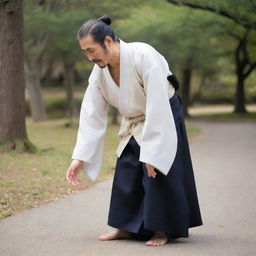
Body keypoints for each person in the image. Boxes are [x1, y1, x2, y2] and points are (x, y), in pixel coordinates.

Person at [66, 15, 203, 247]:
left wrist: (153, 151)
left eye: (92, 50)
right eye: (85, 53)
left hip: (162, 112)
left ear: (108, 41)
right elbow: (92, 113)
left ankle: (162, 229)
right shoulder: (99, 72)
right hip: (133, 119)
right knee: (128, 165)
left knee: (157, 168)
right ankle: (126, 226)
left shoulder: (143, 55)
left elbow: (158, 104)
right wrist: (80, 156)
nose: (90, 57)